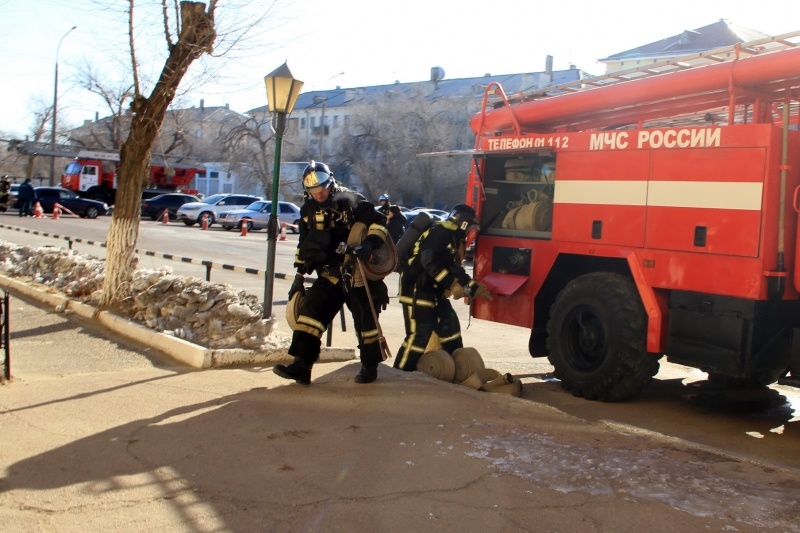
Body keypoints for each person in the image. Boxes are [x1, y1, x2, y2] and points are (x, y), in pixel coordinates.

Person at [274, 161, 391, 385]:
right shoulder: (307, 210)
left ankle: (369, 366)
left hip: (358, 274)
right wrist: (299, 277)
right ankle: (301, 366)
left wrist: (370, 244)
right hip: (330, 275)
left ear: (331, 183)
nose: (319, 194)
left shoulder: (351, 200)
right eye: (313, 191)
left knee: (366, 322)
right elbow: (304, 243)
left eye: (322, 189)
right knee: (310, 315)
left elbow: (379, 222)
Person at [394, 204, 494, 372]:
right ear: (463, 223)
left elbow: (453, 267)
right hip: (417, 289)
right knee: (419, 334)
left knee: (451, 327)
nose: (470, 231)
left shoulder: (451, 236)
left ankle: (458, 370)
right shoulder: (439, 233)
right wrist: (452, 284)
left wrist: (473, 287)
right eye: (470, 227)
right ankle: (401, 372)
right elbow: (429, 261)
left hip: (433, 290)